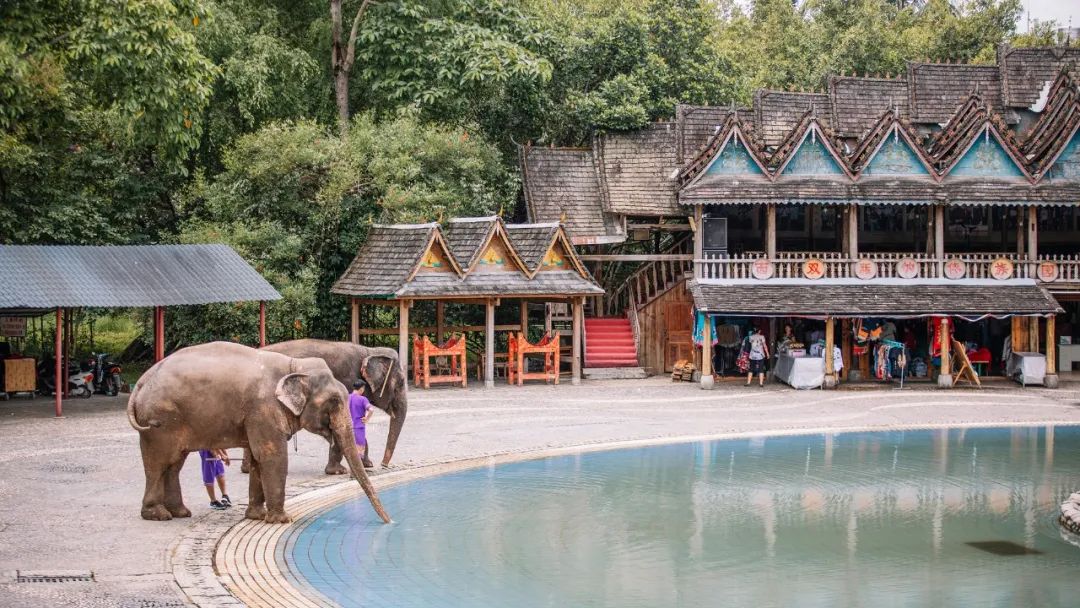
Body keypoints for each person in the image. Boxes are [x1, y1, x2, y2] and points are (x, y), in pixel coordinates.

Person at [349, 379, 375, 469]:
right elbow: (371, 409)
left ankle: (353, 468)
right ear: (362, 389)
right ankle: (356, 470)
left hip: (348, 427)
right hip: (359, 427)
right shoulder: (363, 399)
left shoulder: (347, 397)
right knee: (360, 450)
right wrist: (367, 418)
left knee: (351, 449)